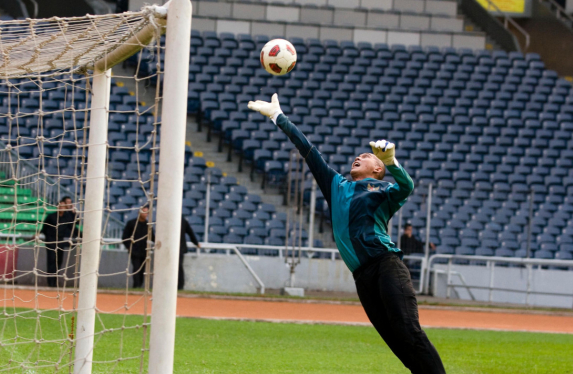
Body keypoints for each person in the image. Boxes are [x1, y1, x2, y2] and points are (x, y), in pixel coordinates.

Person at [248, 94, 445, 374]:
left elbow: (407, 187)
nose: (358, 156)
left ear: (378, 169)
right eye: (359, 155)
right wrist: (279, 118)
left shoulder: (383, 189)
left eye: (366, 157)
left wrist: (393, 162)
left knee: (409, 332)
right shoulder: (336, 185)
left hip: (386, 266)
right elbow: (309, 151)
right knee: (397, 342)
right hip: (362, 277)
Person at [40, 196, 81, 288]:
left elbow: (74, 228)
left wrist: (83, 235)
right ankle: (51, 283)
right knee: (51, 261)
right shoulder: (51, 217)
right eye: (60, 206)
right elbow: (44, 228)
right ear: (57, 207)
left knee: (59, 262)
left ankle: (54, 282)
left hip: (60, 242)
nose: (61, 208)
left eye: (63, 206)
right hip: (51, 242)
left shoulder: (67, 218)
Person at [122, 206, 155, 289]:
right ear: (139, 212)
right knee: (136, 268)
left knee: (142, 269)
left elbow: (153, 237)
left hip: (144, 251)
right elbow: (125, 237)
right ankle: (136, 286)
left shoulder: (148, 225)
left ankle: (139, 286)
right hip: (134, 251)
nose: (145, 214)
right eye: (144, 212)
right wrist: (129, 247)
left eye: (147, 212)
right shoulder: (132, 223)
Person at [178, 216, 200, 290]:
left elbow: (190, 233)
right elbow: (190, 232)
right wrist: (196, 243)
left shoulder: (182, 221)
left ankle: (180, 286)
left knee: (178, 267)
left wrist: (196, 243)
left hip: (178, 248)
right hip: (178, 248)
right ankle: (179, 286)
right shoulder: (182, 220)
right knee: (178, 267)